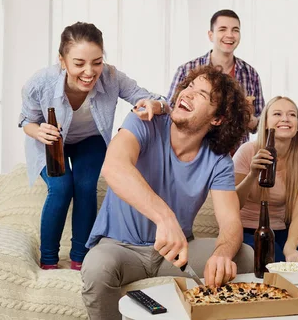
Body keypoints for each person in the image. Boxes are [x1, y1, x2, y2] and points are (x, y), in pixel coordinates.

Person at [81, 64, 254, 320]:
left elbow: (230, 222)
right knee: (96, 268)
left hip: (175, 254)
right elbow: (114, 167)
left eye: (202, 95)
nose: (187, 94)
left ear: (217, 119)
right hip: (120, 247)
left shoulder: (219, 160)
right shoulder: (145, 122)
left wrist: (222, 253)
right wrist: (165, 217)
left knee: (244, 257)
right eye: (189, 87)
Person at [19, 22, 169, 271]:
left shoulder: (111, 77)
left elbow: (154, 98)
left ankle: (80, 257)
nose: (89, 71)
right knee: (61, 188)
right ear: (62, 60)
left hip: (90, 140)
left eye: (97, 62)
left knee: (86, 187)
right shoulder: (40, 83)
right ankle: (48, 260)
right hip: (51, 140)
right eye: (79, 63)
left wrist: (154, 106)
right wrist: (38, 130)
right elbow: (26, 121)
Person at [233, 96, 298, 264]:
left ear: (297, 127)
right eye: (277, 114)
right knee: (276, 258)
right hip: (247, 230)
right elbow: (232, 204)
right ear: (266, 123)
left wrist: (290, 247)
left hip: (279, 230)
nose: (285, 119)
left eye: (292, 115)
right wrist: (252, 174)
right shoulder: (247, 151)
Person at [166, 9, 264, 147]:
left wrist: (245, 116)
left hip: (236, 157)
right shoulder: (187, 70)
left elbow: (260, 124)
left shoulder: (251, 74)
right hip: (194, 152)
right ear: (211, 35)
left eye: (235, 30)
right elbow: (171, 113)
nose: (229, 35)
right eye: (223, 29)